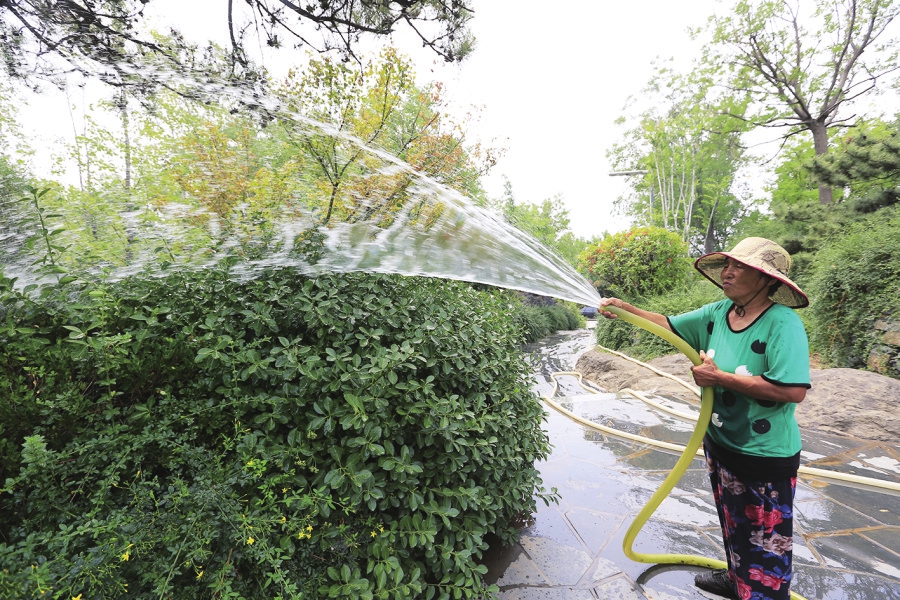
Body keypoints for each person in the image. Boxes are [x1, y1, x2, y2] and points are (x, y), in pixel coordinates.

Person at [599, 237, 811, 600]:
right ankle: (737, 579)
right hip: (722, 443)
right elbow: (666, 323)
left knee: (765, 540)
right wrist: (626, 309)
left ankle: (762, 595)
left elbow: (792, 390)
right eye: (728, 264)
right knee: (734, 524)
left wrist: (720, 379)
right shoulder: (717, 314)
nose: (728, 272)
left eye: (740, 267)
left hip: (764, 453)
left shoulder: (782, 323)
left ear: (767, 279)